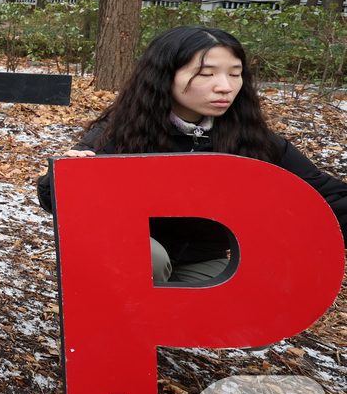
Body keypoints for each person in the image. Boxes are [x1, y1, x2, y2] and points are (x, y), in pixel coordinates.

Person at [36, 25, 347, 282]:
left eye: (235, 74)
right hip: (137, 261)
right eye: (206, 74)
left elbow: (325, 196)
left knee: (264, 284)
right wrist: (62, 177)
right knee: (150, 257)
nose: (224, 86)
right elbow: (60, 203)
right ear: (165, 76)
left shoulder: (254, 140)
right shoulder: (124, 132)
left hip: (206, 261)